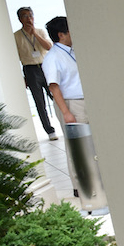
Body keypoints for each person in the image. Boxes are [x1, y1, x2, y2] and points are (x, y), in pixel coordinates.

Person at [41, 16, 93, 198]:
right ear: (61, 35)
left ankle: (93, 181)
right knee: (77, 146)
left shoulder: (74, 51)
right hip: (70, 103)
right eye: (70, 30)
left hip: (84, 101)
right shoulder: (53, 57)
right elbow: (53, 87)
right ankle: (80, 186)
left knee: (89, 144)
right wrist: (66, 112)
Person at [12, 6, 57, 140]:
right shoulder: (16, 36)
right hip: (30, 70)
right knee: (39, 102)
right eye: (25, 16)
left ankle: (67, 123)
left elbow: (49, 47)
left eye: (31, 15)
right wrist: (22, 77)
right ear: (20, 19)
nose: (29, 19)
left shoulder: (40, 31)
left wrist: (35, 34)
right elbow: (15, 57)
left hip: (45, 67)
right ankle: (50, 131)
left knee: (56, 96)